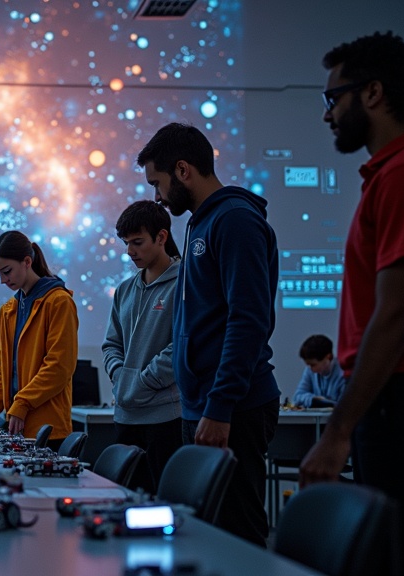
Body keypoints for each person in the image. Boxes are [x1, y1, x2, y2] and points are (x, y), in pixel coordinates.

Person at [300, 32, 404, 574]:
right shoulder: (390, 175)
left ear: (373, 93)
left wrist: (336, 432)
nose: (329, 115)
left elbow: (397, 315)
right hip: (395, 398)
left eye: (334, 99)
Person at [137, 122, 280, 547]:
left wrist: (219, 407)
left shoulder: (234, 220)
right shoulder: (199, 223)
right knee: (204, 534)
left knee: (237, 534)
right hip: (202, 404)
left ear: (183, 170)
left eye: (157, 183)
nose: (157, 197)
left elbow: (248, 319)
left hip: (232, 406)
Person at [101, 200, 183, 494]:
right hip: (125, 416)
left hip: (166, 418)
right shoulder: (124, 289)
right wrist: (120, 375)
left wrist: (144, 380)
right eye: (126, 243)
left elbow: (182, 347)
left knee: (164, 506)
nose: (129, 251)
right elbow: (111, 344)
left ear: (161, 237)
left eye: (137, 242)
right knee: (124, 502)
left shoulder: (185, 283)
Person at [0, 231, 79, 449]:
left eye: (7, 271)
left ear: (27, 262)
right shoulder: (8, 310)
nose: (3, 280)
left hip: (48, 430)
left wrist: (22, 403)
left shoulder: (59, 302)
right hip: (15, 427)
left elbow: (59, 367)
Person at [292, 335, 345, 408]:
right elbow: (297, 397)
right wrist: (313, 399)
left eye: (313, 365)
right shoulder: (309, 370)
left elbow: (345, 405)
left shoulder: (343, 373)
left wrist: (323, 402)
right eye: (308, 365)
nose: (310, 369)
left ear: (328, 357)